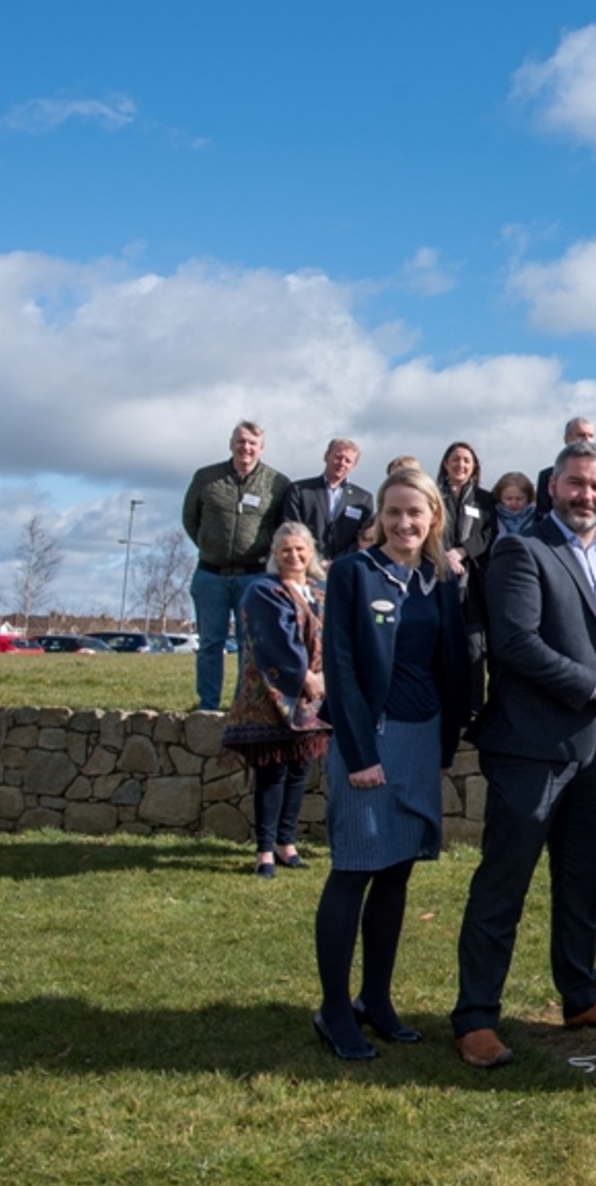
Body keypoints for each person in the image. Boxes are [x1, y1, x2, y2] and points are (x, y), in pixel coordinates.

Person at [452, 441, 596, 1069]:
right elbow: (515, 642)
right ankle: (474, 1018)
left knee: (585, 877)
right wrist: (589, 685)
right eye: (576, 484)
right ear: (553, 486)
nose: (587, 496)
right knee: (504, 882)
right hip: (531, 747)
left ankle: (580, 993)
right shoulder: (522, 550)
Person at [311, 468, 473, 1061]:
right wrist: (359, 755)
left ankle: (374, 1000)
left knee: (397, 873)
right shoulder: (354, 573)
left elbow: (453, 665)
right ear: (380, 516)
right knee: (354, 870)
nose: (406, 523)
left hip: (421, 739)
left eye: (417, 513)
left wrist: (447, 747)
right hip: (369, 744)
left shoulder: (437, 581)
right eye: (395, 512)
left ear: (434, 517)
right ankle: (333, 1011)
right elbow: (344, 668)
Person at [221, 521, 332, 880]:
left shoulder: (320, 591)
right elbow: (274, 642)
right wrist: (305, 678)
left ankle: (288, 844)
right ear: (274, 554)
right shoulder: (263, 590)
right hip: (273, 698)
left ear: (311, 551)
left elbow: (336, 636)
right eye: (286, 549)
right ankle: (265, 850)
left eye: (300, 549)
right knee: (273, 773)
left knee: (299, 771)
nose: (294, 555)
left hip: (313, 700)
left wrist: (325, 679)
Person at [183, 420, 291, 713]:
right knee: (209, 644)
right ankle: (208, 704)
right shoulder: (206, 478)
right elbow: (190, 520)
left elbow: (284, 528)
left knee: (250, 646)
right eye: (241, 442)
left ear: (261, 448)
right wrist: (210, 546)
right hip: (210, 575)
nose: (246, 448)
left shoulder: (277, 483)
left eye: (252, 443)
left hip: (253, 577)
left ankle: (242, 705)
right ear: (232, 444)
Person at [436, 441, 495, 704]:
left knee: (473, 648)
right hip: (438, 576)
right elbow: (428, 529)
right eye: (455, 459)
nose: (460, 465)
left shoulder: (484, 499)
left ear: (474, 467)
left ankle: (473, 707)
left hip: (474, 583)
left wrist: (462, 552)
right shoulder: (433, 495)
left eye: (466, 461)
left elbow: (488, 533)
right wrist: (445, 556)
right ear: (446, 464)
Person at [280, 437, 374, 563]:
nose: (342, 463)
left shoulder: (363, 499)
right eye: (338, 457)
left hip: (345, 567)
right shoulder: (299, 490)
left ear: (353, 466)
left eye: (348, 461)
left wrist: (337, 562)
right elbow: (292, 528)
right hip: (305, 565)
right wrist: (314, 560)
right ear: (326, 456)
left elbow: (364, 538)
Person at [533, 416, 596, 525]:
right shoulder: (547, 476)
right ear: (567, 439)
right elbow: (543, 513)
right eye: (581, 435)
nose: (586, 440)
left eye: (590, 436)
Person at [491, 472, 538, 538]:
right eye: (508, 499)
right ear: (499, 497)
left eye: (519, 499)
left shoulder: (538, 517)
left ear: (528, 498)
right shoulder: (491, 517)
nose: (514, 503)